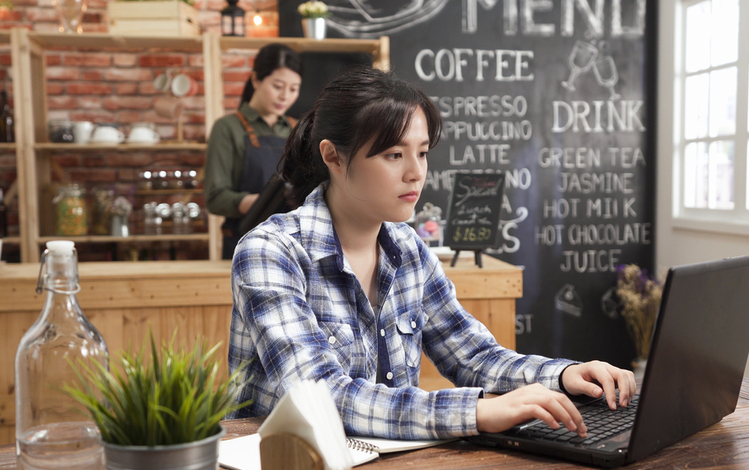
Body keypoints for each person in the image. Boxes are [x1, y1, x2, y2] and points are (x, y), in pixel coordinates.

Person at [228, 67, 635, 440]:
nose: (416, 172)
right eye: (393, 155)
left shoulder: (407, 248)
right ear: (333, 156)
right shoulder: (270, 252)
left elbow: (473, 354)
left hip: (391, 469)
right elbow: (320, 397)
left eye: (421, 152)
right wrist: (476, 412)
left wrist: (563, 376)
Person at [204, 43, 302, 259]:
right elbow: (215, 198)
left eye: (293, 89)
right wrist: (264, 204)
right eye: (278, 86)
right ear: (256, 79)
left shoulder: (298, 130)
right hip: (244, 246)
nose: (285, 96)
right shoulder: (227, 127)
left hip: (294, 247)